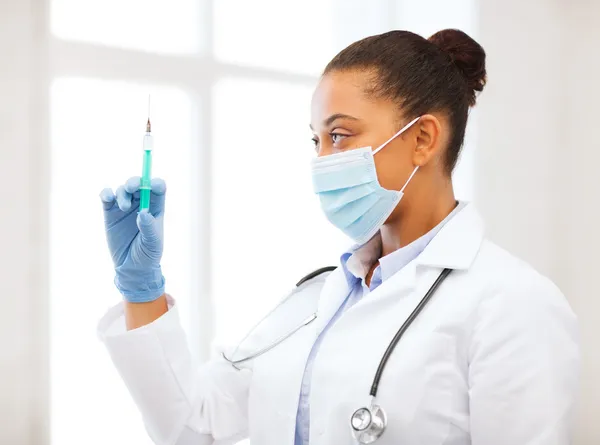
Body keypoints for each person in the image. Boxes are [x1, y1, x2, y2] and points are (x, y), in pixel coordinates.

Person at [98, 29, 579, 445]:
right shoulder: (318, 298)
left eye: (341, 136)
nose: (324, 159)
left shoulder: (513, 304)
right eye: (317, 140)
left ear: (423, 139)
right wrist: (142, 290)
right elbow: (191, 425)